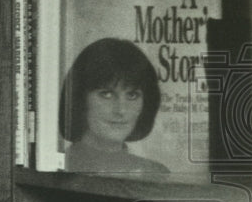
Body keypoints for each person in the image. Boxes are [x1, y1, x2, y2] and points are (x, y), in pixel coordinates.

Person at [58, 38, 169, 177]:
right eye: (106, 94)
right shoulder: (57, 169)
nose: (121, 110)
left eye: (132, 95)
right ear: (80, 99)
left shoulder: (155, 174)